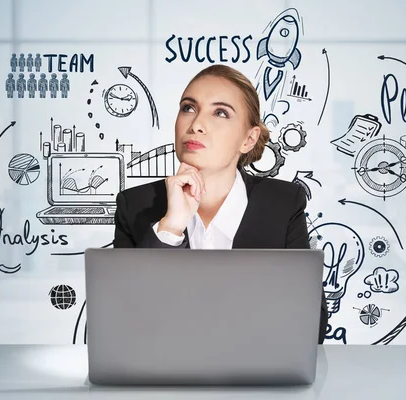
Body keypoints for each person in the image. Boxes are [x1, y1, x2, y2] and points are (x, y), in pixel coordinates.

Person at [113, 64, 328, 343]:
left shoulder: (283, 204)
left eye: (220, 112)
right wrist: (170, 229)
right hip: (165, 379)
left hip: (254, 379)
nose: (196, 125)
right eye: (188, 108)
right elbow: (124, 323)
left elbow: (312, 325)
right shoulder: (135, 205)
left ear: (249, 139)